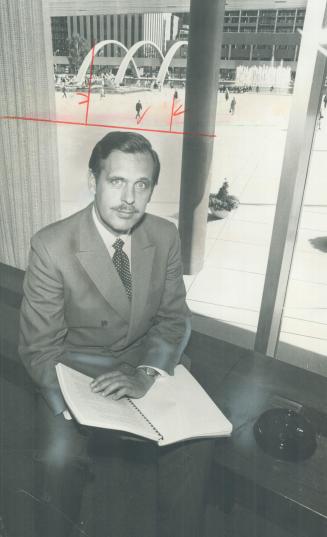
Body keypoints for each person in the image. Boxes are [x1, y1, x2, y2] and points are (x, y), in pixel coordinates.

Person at [19, 131, 214, 537]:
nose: (129, 198)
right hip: (75, 375)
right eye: (117, 181)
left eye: (141, 185)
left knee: (197, 443)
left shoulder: (164, 236)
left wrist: (144, 374)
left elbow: (174, 317)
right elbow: (40, 350)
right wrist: (83, 407)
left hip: (145, 366)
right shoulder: (52, 246)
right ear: (93, 183)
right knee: (58, 461)